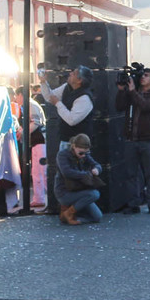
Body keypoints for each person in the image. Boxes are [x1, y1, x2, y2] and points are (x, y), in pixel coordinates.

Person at [40, 67, 94, 214]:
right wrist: (44, 83)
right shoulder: (66, 88)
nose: (70, 74)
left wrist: (58, 104)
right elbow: (49, 97)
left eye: (74, 73)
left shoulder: (84, 98)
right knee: (62, 175)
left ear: (80, 80)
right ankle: (64, 208)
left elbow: (71, 119)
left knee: (76, 175)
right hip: (65, 140)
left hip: (79, 144)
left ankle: (76, 208)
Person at [116, 68, 150, 214]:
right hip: (131, 138)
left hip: (148, 139)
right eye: (141, 75)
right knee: (131, 174)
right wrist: (122, 90)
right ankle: (133, 203)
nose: (142, 78)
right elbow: (119, 106)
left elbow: (146, 106)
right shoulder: (132, 92)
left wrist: (132, 91)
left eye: (146, 76)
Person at [54, 134, 103, 225]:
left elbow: (97, 165)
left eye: (86, 153)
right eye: (81, 153)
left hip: (79, 190)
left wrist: (97, 169)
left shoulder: (84, 155)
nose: (83, 155)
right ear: (73, 146)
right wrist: (86, 174)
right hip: (64, 192)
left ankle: (68, 215)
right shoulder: (62, 155)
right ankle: (69, 213)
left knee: (97, 216)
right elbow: (67, 172)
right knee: (94, 194)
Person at [14, 86, 46, 208]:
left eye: (17, 96)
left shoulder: (31, 105)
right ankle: (39, 198)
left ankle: (42, 198)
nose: (16, 99)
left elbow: (36, 122)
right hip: (37, 141)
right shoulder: (30, 105)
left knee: (40, 171)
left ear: (21, 95)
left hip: (40, 141)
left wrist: (22, 132)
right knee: (38, 171)